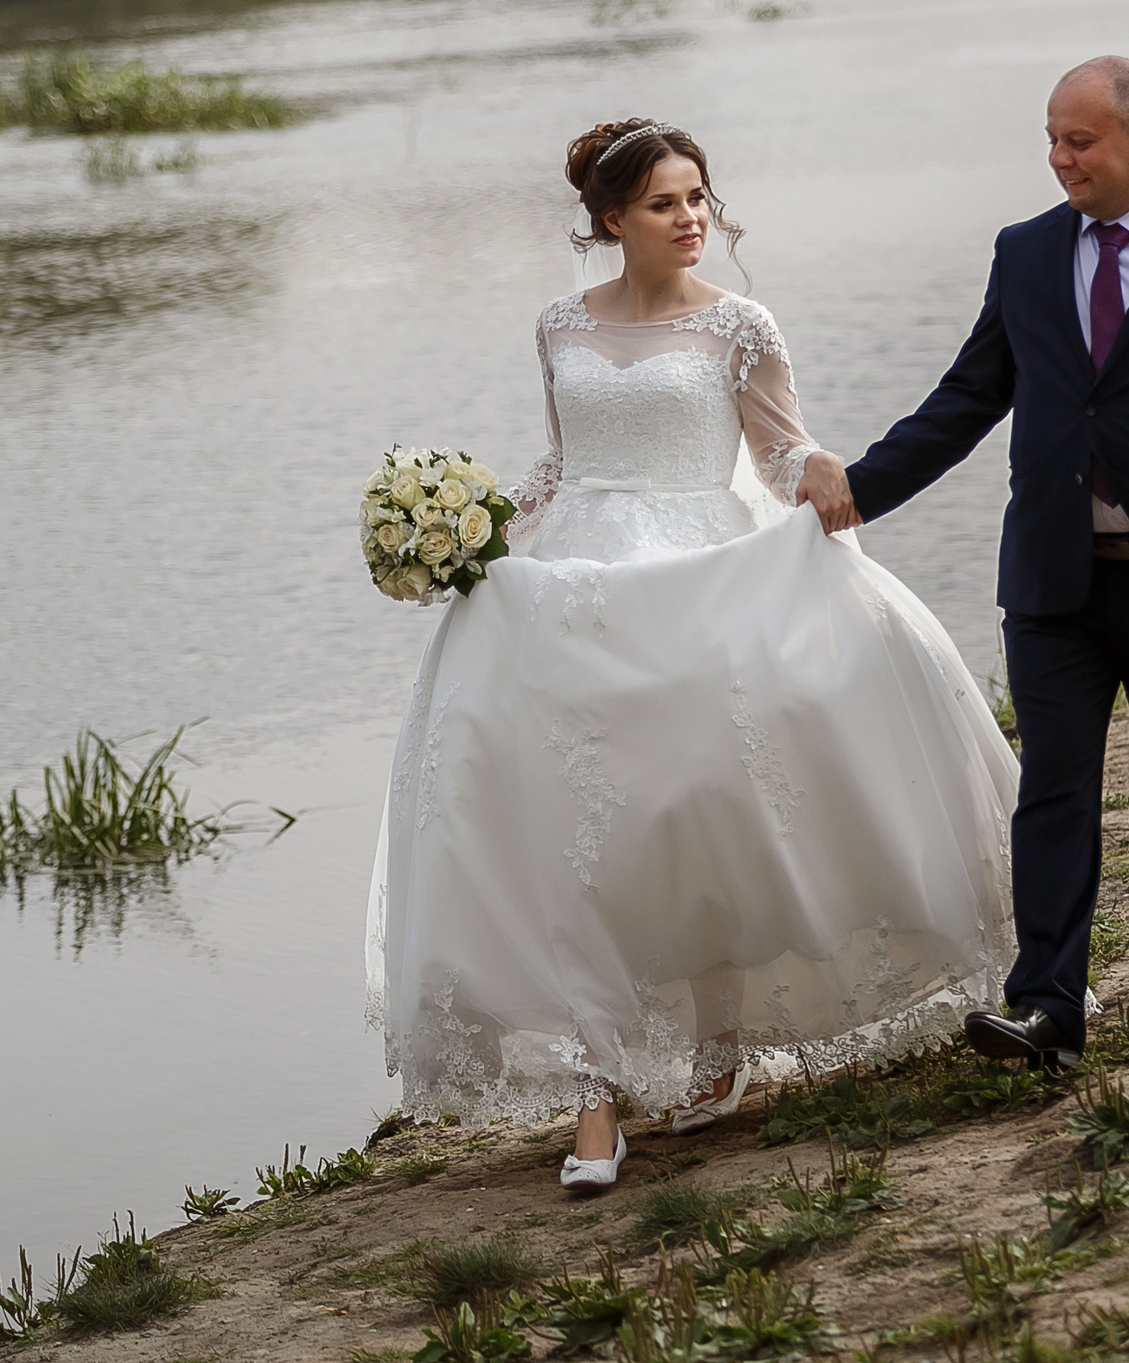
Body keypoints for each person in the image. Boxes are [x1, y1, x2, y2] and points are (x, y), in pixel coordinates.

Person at [366, 120, 1019, 1191]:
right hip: (575, 589)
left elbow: (777, 447)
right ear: (612, 219)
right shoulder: (557, 324)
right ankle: (594, 1101)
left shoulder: (742, 326)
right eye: (666, 202)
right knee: (580, 828)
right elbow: (563, 460)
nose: (691, 217)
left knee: (702, 806)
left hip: (703, 579)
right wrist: (471, 529)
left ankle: (716, 1049)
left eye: (700, 197)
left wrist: (832, 478)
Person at [799, 57, 1129, 1069]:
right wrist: (861, 488)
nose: (1058, 160)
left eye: (1077, 141)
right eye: (1050, 139)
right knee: (1051, 785)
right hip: (1052, 573)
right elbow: (968, 394)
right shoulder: (1027, 251)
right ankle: (1045, 1004)